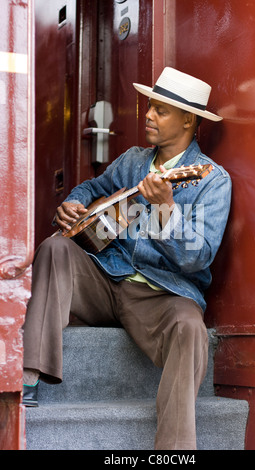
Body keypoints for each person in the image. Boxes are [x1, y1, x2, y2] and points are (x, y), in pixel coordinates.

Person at [22, 67, 231, 450]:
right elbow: (93, 186)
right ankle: (29, 376)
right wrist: (75, 202)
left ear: (189, 120)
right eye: (150, 107)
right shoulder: (133, 160)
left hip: (161, 295)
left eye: (160, 111)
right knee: (54, 247)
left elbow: (197, 258)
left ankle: (174, 451)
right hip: (106, 277)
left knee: (190, 329)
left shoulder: (212, 180)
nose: (148, 116)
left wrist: (166, 207)